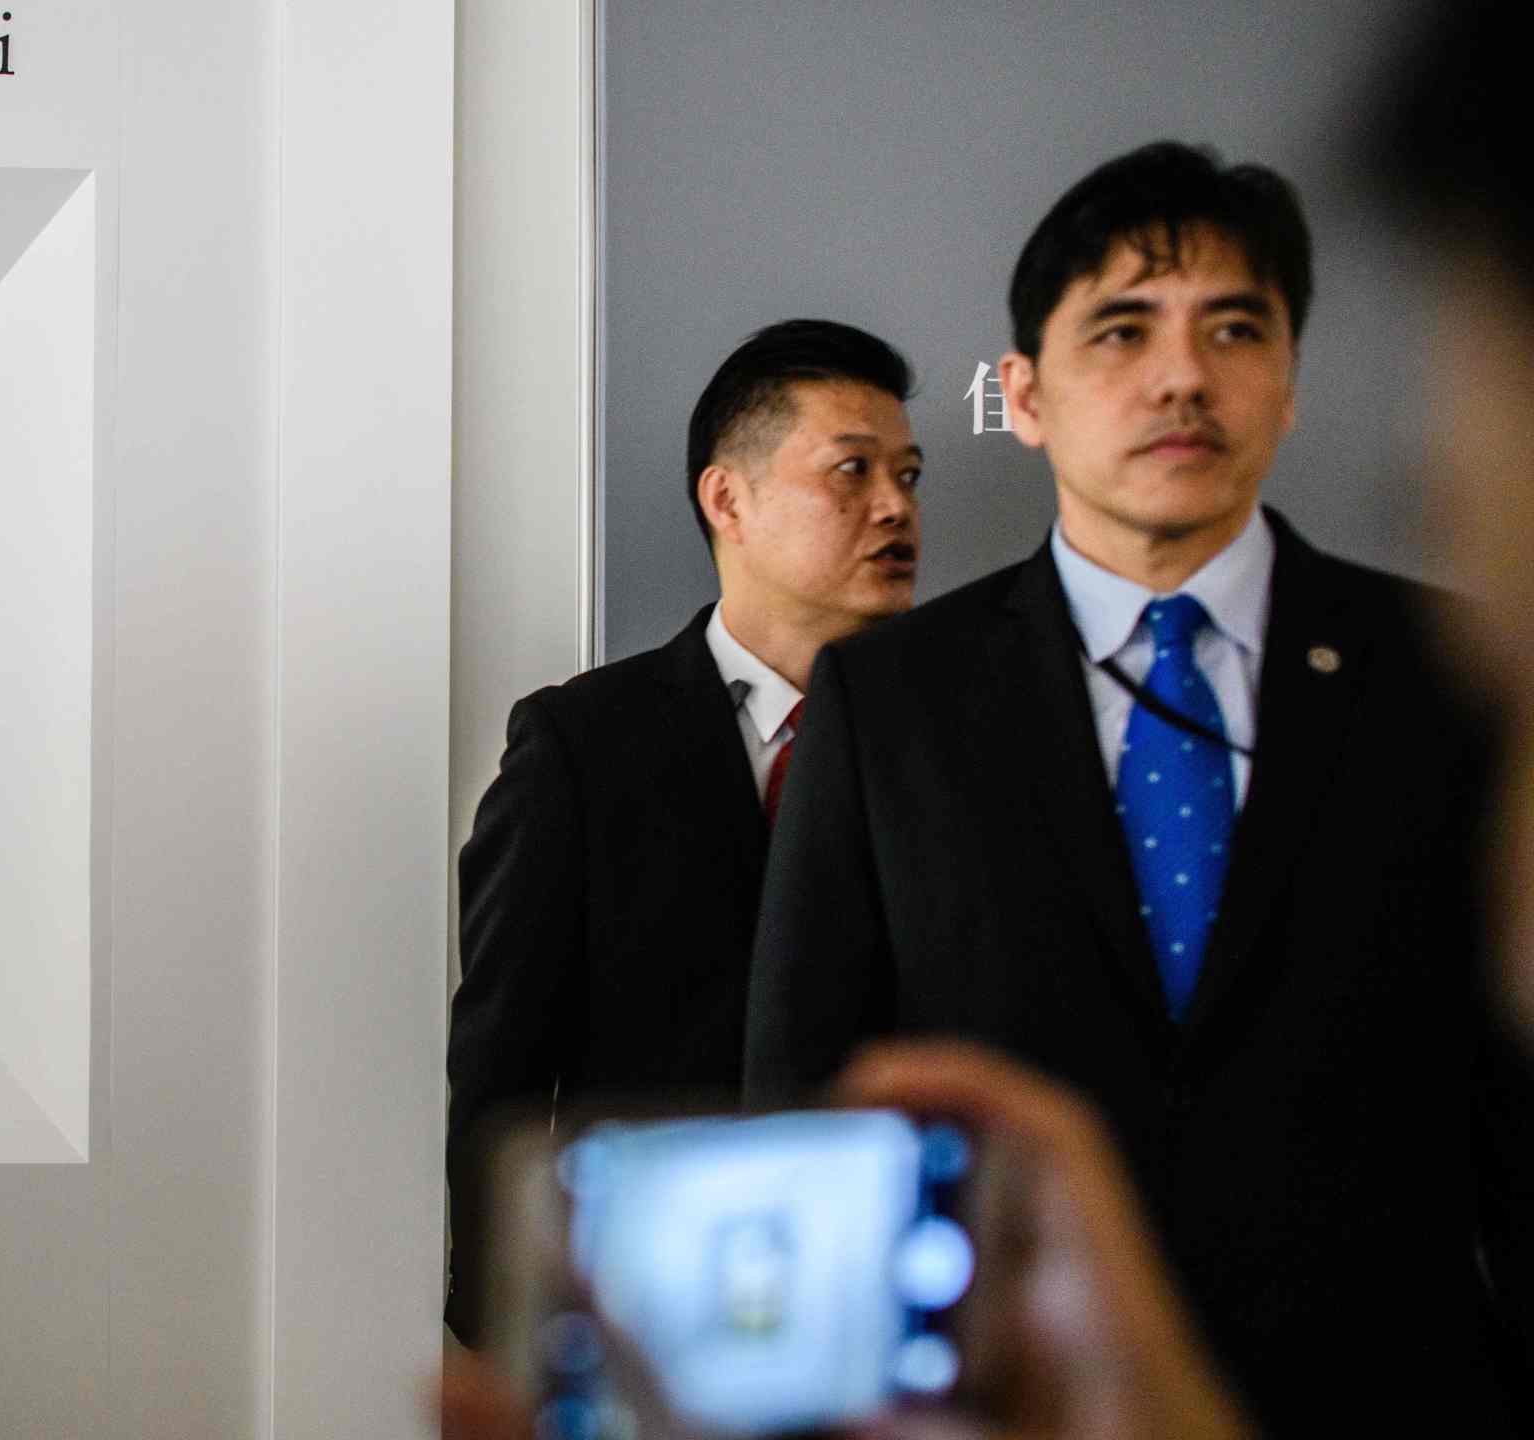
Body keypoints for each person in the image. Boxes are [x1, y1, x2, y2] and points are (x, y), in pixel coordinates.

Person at [742, 141, 1533, 1433]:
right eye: (1120, 330)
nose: (1181, 375)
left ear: (1287, 385)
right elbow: (803, 1111)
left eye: (1234, 328)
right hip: (1009, 1408)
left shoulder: (1455, 676)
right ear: (1026, 393)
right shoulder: (892, 704)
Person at [446, 319, 923, 1343]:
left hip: (895, 1306)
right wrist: (503, 1321)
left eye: (907, 474)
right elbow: (501, 1070)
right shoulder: (584, 744)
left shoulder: (950, 741)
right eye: (852, 470)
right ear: (727, 498)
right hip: (646, 1307)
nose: (895, 507)